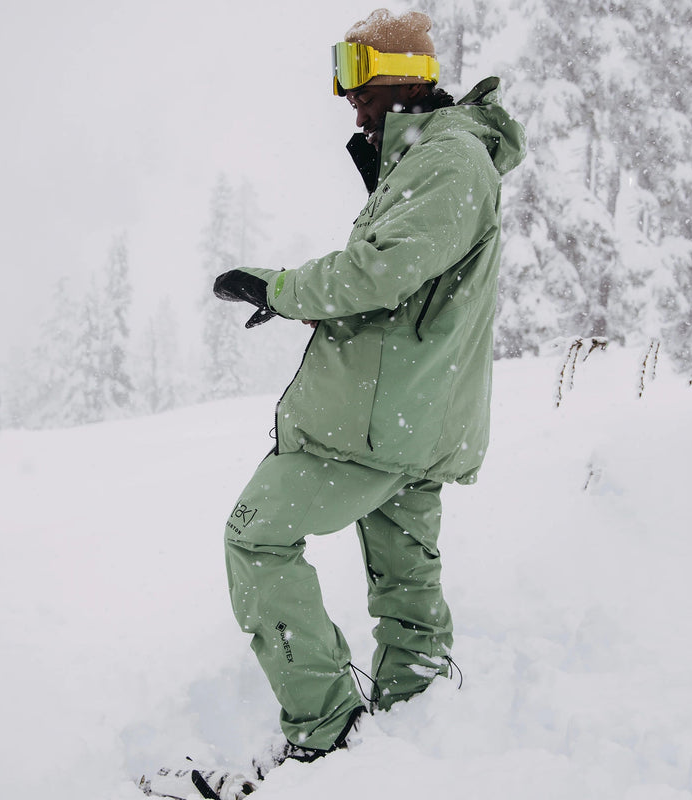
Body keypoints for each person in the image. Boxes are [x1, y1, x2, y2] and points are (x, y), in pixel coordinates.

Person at [145, 7, 526, 798]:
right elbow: (406, 287)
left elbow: (378, 273)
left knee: (256, 540)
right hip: (412, 420)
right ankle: (415, 727)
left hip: (377, 427)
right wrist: (325, 296)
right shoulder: (432, 159)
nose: (346, 97)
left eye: (356, 75)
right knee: (405, 581)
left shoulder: (449, 160)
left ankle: (325, 729)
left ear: (402, 78)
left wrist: (281, 289)